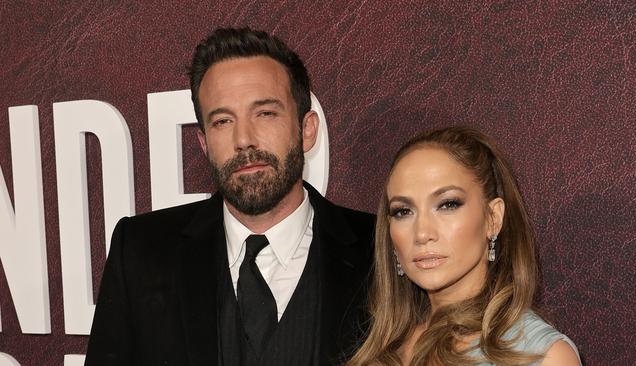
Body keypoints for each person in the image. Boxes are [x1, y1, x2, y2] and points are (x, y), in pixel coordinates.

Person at [85, 27, 374, 366]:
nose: (244, 140)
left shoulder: (379, 250)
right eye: (222, 121)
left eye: (265, 113)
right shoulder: (141, 250)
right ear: (205, 143)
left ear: (306, 129)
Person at [347, 127, 581, 366]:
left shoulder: (542, 356)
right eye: (403, 211)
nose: (422, 233)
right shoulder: (382, 349)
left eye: (448, 204)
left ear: (493, 218)